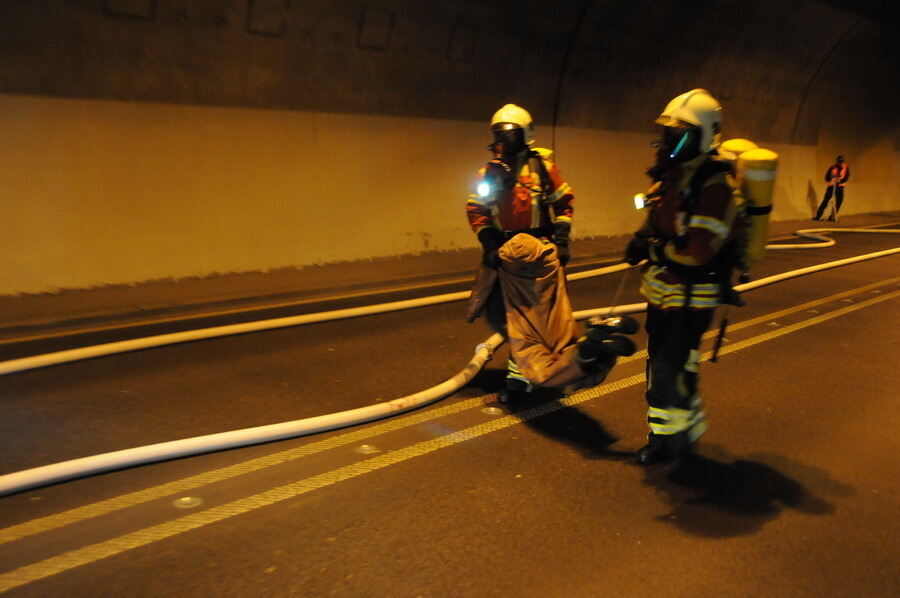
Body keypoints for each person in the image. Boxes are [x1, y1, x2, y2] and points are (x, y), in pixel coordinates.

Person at [624, 89, 743, 465]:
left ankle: (676, 439)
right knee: (662, 364)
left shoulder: (714, 187)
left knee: (666, 370)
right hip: (663, 292)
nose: (670, 141)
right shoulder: (673, 175)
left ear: (703, 137)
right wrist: (640, 237)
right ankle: (666, 434)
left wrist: (653, 250)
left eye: (680, 134)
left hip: (693, 295)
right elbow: (655, 213)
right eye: (669, 133)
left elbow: (698, 250)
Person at [466, 104, 576, 402]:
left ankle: (524, 376)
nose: (503, 142)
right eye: (498, 135)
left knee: (536, 315)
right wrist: (489, 244)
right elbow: (477, 210)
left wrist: (562, 240)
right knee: (503, 314)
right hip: (505, 253)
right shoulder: (488, 173)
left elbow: (563, 203)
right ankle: (529, 369)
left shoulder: (543, 169)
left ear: (525, 136)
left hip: (538, 255)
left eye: (510, 135)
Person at [814, 156, 849, 221]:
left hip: (840, 187)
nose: (840, 163)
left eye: (841, 162)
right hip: (831, 186)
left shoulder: (845, 168)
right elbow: (826, 177)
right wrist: (832, 177)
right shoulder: (832, 168)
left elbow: (846, 177)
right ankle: (818, 216)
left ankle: (832, 216)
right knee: (825, 201)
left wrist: (841, 181)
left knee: (838, 202)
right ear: (837, 161)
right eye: (839, 162)